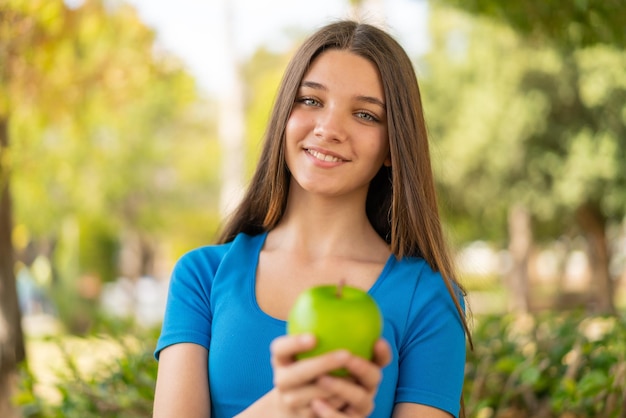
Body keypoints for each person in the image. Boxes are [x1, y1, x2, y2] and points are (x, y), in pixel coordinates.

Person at [153, 19, 470, 418]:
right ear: (285, 115)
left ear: (393, 146)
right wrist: (284, 407)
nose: (329, 128)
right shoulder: (201, 276)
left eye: (366, 115)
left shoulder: (428, 298)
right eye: (311, 101)